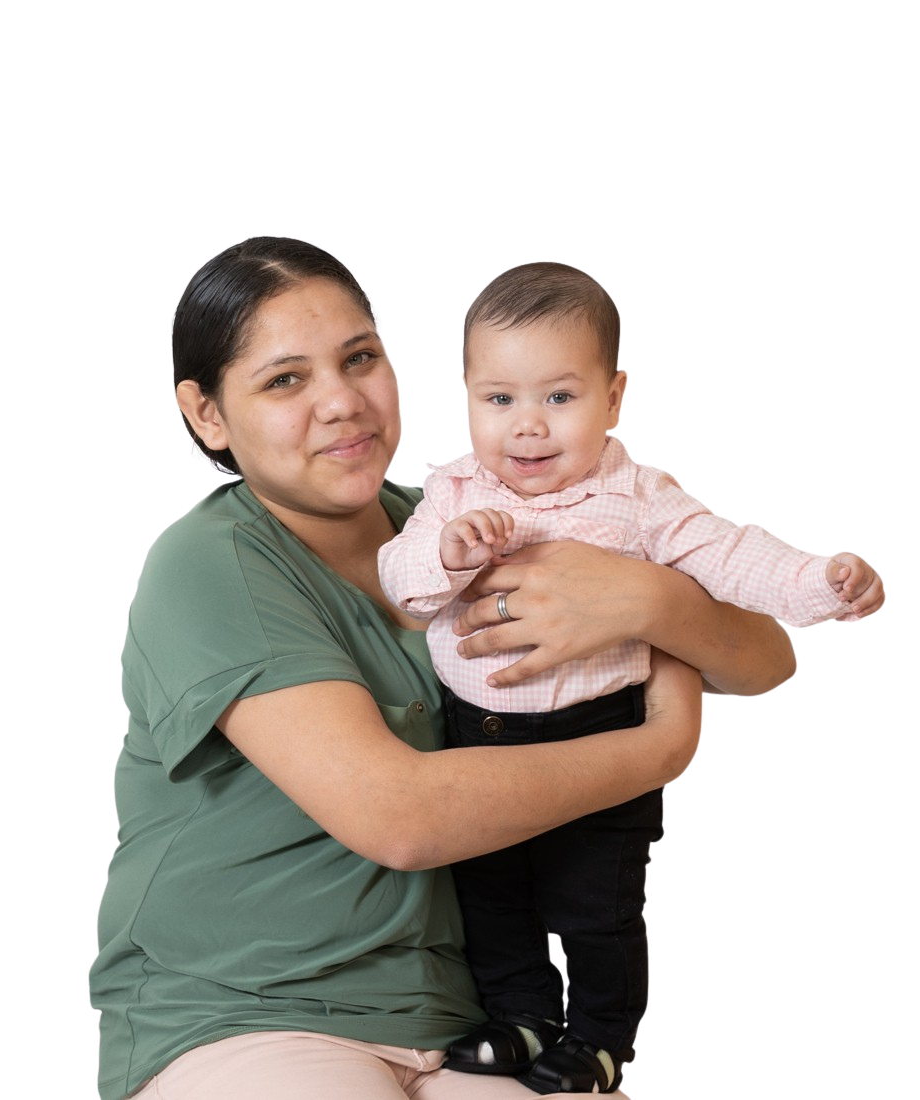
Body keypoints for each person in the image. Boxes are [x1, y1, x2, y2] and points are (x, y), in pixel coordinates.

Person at [89, 237, 799, 1100]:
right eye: (285, 380)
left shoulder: (457, 522)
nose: (341, 401)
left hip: (470, 1021)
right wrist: (661, 747)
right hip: (245, 1012)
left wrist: (650, 602)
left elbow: (766, 659)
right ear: (206, 414)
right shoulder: (208, 564)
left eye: (360, 358)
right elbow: (399, 817)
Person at [377, 261, 885, 1094]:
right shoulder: (453, 494)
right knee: (490, 895)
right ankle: (520, 1017)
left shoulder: (640, 499)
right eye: (498, 399)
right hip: (480, 735)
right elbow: (401, 584)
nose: (527, 427)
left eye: (559, 396)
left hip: (601, 736)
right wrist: (447, 552)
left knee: (597, 910)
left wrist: (820, 583)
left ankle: (600, 1039)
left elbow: (731, 555)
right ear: (465, 395)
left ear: (612, 399)